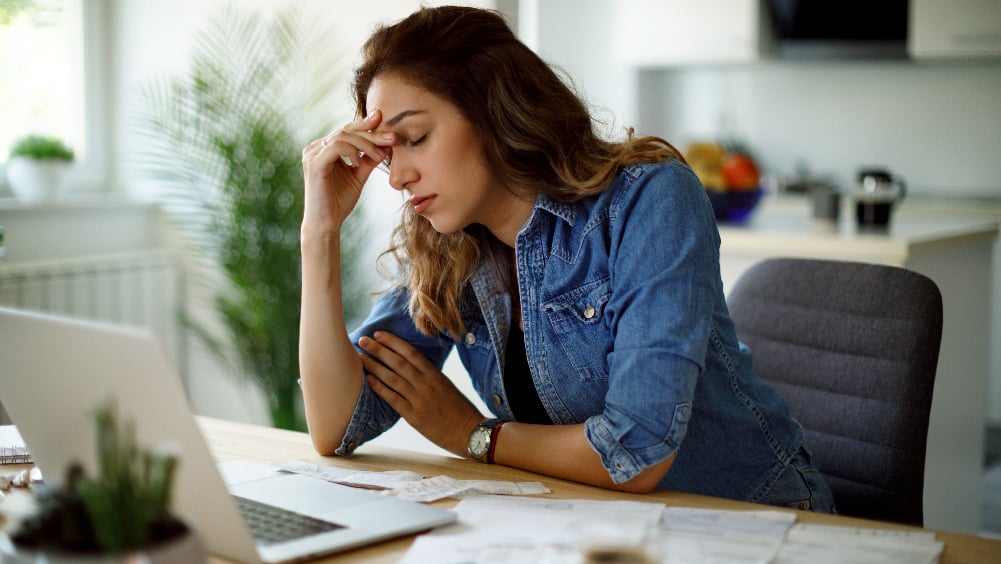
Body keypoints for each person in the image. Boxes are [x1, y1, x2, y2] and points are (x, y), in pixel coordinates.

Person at [299, 5, 835, 511]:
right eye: (389, 153)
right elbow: (339, 425)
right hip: (591, 525)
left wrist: (472, 434)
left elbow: (636, 451)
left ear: (493, 109)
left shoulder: (648, 200)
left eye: (415, 138)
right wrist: (319, 232)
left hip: (753, 522)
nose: (396, 177)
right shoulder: (447, 243)